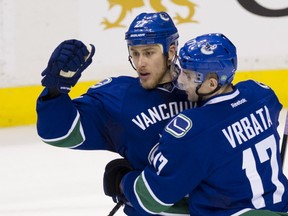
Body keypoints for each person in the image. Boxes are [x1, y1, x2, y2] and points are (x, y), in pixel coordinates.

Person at [107, 33, 288, 215]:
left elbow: (153, 199)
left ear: (211, 83)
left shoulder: (193, 130)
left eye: (189, 75)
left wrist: (123, 182)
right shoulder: (261, 95)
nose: (180, 81)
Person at [36, 12, 194, 215]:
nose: (140, 63)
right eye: (135, 53)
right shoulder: (117, 98)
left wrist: (123, 183)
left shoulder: (200, 90)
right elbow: (58, 133)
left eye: (148, 52)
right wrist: (56, 90)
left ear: (171, 51)